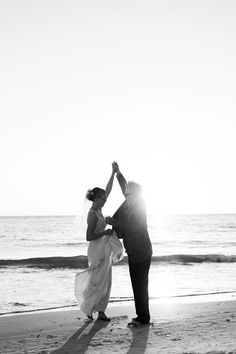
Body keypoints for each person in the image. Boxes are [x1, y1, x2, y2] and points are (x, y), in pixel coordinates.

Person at [105, 162, 152, 326]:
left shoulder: (140, 205)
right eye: (126, 194)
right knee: (137, 284)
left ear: (135, 195)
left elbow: (136, 227)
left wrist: (115, 221)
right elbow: (125, 186)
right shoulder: (130, 202)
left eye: (128, 194)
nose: (126, 196)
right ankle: (142, 316)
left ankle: (143, 318)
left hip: (142, 251)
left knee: (140, 285)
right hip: (134, 251)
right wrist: (118, 173)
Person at [75, 166, 123, 321]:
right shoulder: (92, 215)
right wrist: (105, 232)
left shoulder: (100, 209)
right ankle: (88, 307)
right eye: (103, 198)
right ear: (97, 199)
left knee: (106, 280)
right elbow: (88, 237)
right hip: (95, 249)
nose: (105, 200)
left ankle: (101, 311)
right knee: (96, 280)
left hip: (104, 248)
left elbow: (107, 190)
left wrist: (113, 173)